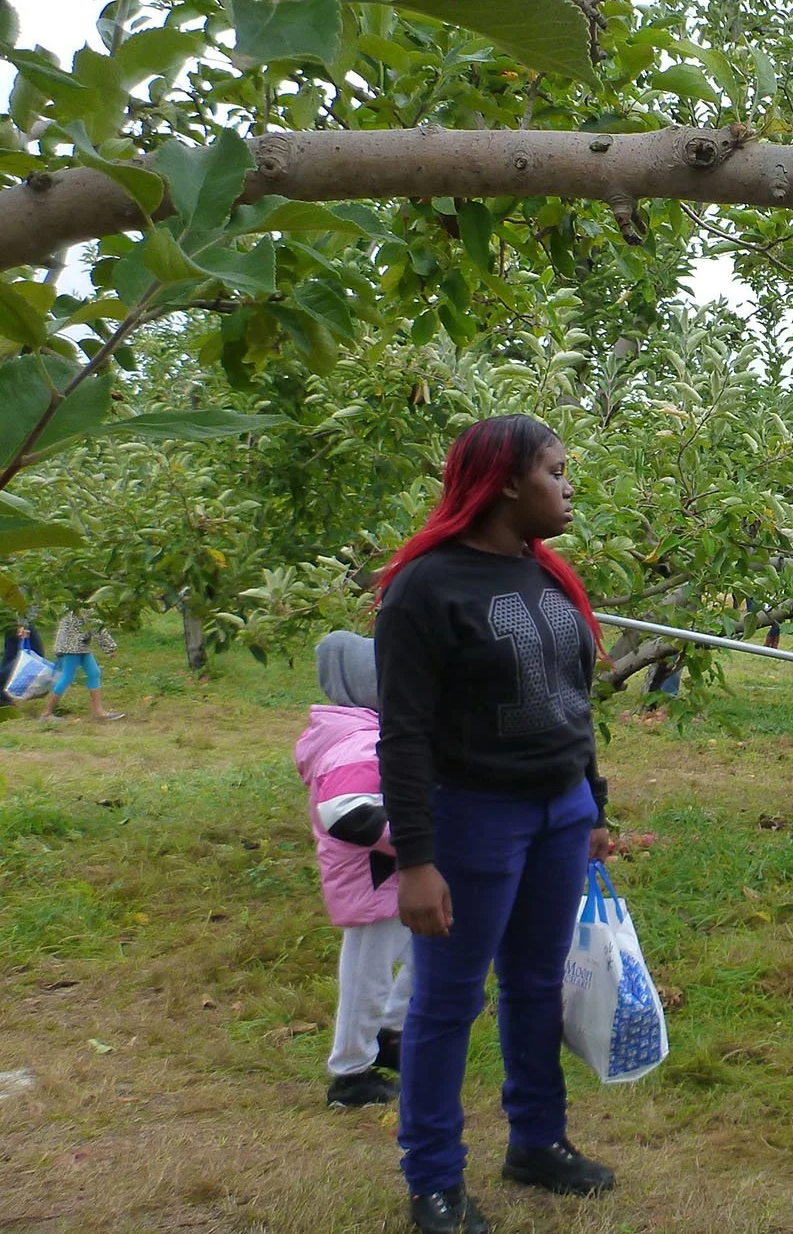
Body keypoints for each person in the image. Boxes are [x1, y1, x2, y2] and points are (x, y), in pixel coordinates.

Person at [374, 415, 616, 1234]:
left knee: (537, 984)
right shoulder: (425, 588)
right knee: (447, 1003)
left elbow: (572, 704)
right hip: (473, 817)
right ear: (509, 480)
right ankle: (434, 1181)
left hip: (559, 812)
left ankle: (537, 1142)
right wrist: (415, 859)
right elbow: (402, 731)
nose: (568, 484)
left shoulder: (548, 577)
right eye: (556, 469)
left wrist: (591, 805)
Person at [295, 630, 412, 1110]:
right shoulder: (360, 743)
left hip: (393, 874)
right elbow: (345, 812)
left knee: (433, 946)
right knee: (368, 976)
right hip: (375, 879)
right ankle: (350, 1074)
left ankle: (390, 1032)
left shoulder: (366, 732)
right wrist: (417, 837)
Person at [44, 607, 121, 721]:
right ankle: (46, 714)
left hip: (78, 645)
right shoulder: (84, 604)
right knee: (67, 676)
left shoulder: (73, 600)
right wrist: (110, 647)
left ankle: (98, 712)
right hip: (73, 646)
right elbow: (96, 626)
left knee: (94, 673)